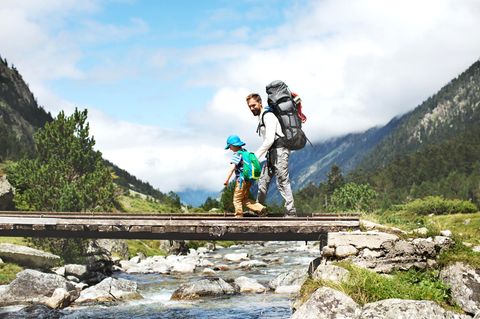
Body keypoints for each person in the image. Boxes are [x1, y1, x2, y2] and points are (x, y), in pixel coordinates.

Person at [246, 93, 297, 217]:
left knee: (282, 181)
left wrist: (255, 156)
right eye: (249, 107)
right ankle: (258, 209)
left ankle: (291, 212)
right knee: (263, 181)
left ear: (260, 103)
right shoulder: (262, 117)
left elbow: (269, 140)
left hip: (280, 150)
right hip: (271, 152)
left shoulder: (268, 116)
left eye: (253, 105)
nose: (252, 108)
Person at [223, 134, 266, 218]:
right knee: (244, 199)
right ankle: (260, 208)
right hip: (248, 180)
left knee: (237, 199)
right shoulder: (245, 152)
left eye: (230, 147)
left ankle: (238, 216)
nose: (230, 149)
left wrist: (226, 180)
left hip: (241, 181)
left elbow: (232, 168)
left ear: (233, 145)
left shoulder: (237, 155)